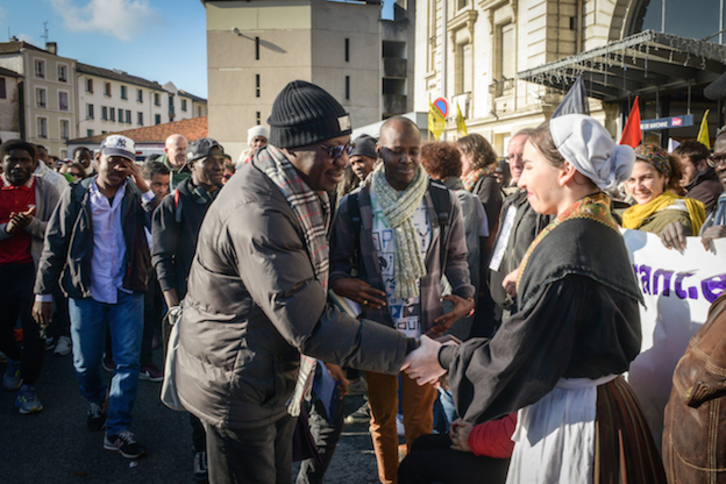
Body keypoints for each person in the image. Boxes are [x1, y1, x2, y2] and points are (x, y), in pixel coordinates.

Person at [403, 114, 666, 483]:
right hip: (591, 403)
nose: (519, 178)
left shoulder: (572, 245)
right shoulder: (591, 226)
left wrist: (445, 358)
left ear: (566, 171)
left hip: (574, 418)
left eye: (527, 166)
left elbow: (520, 351)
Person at [175, 80, 411, 484]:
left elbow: (306, 294)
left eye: (347, 147)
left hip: (271, 373)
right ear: (290, 148)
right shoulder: (259, 210)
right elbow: (311, 324)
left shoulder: (297, 188)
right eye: (331, 149)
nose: (343, 160)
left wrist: (326, 353)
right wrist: (412, 351)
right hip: (238, 384)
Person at [330, 117, 475, 484]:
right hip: (376, 331)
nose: (407, 159)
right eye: (397, 151)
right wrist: (345, 283)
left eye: (413, 151)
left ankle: (417, 479)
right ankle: (389, 480)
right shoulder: (353, 206)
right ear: (380, 152)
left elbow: (456, 259)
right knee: (381, 419)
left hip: (425, 332)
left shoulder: (442, 201)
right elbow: (333, 267)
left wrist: (463, 296)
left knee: (419, 420)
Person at [33, 135, 158, 460]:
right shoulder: (76, 194)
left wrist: (144, 185)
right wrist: (43, 291)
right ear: (99, 158)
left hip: (128, 290)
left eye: (126, 161)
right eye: (114, 159)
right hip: (85, 292)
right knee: (85, 362)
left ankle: (117, 428)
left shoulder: (135, 196)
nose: (119, 166)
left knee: (127, 363)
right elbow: (55, 243)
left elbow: (161, 223)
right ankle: (96, 398)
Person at [0, 140, 60, 414]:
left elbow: (60, 230)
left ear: (34, 163)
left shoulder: (46, 189)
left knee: (33, 329)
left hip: (32, 269)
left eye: (25, 160)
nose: (18, 165)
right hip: (3, 271)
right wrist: (8, 228)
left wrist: (33, 225)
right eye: (12, 160)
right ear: (2, 162)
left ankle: (28, 388)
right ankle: (14, 360)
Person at [488, 129, 551, 322]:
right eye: (510, 157)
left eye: (521, 156)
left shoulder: (545, 203)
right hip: (503, 305)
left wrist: (524, 272)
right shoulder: (512, 200)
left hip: (527, 306)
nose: (515, 163)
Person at [398, 413, 515, 484]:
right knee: (422, 444)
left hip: (512, 463)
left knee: (414, 465)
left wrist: (474, 437)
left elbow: (512, 437)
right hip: (500, 437)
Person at [623, 144, 706, 243]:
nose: (638, 187)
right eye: (631, 180)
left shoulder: (674, 216)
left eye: (646, 178)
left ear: (665, 178)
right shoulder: (631, 214)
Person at [675, 140, 722, 214]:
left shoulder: (705, 190)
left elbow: (681, 218)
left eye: (684, 167)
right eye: (676, 168)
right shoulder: (699, 187)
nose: (679, 172)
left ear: (702, 165)